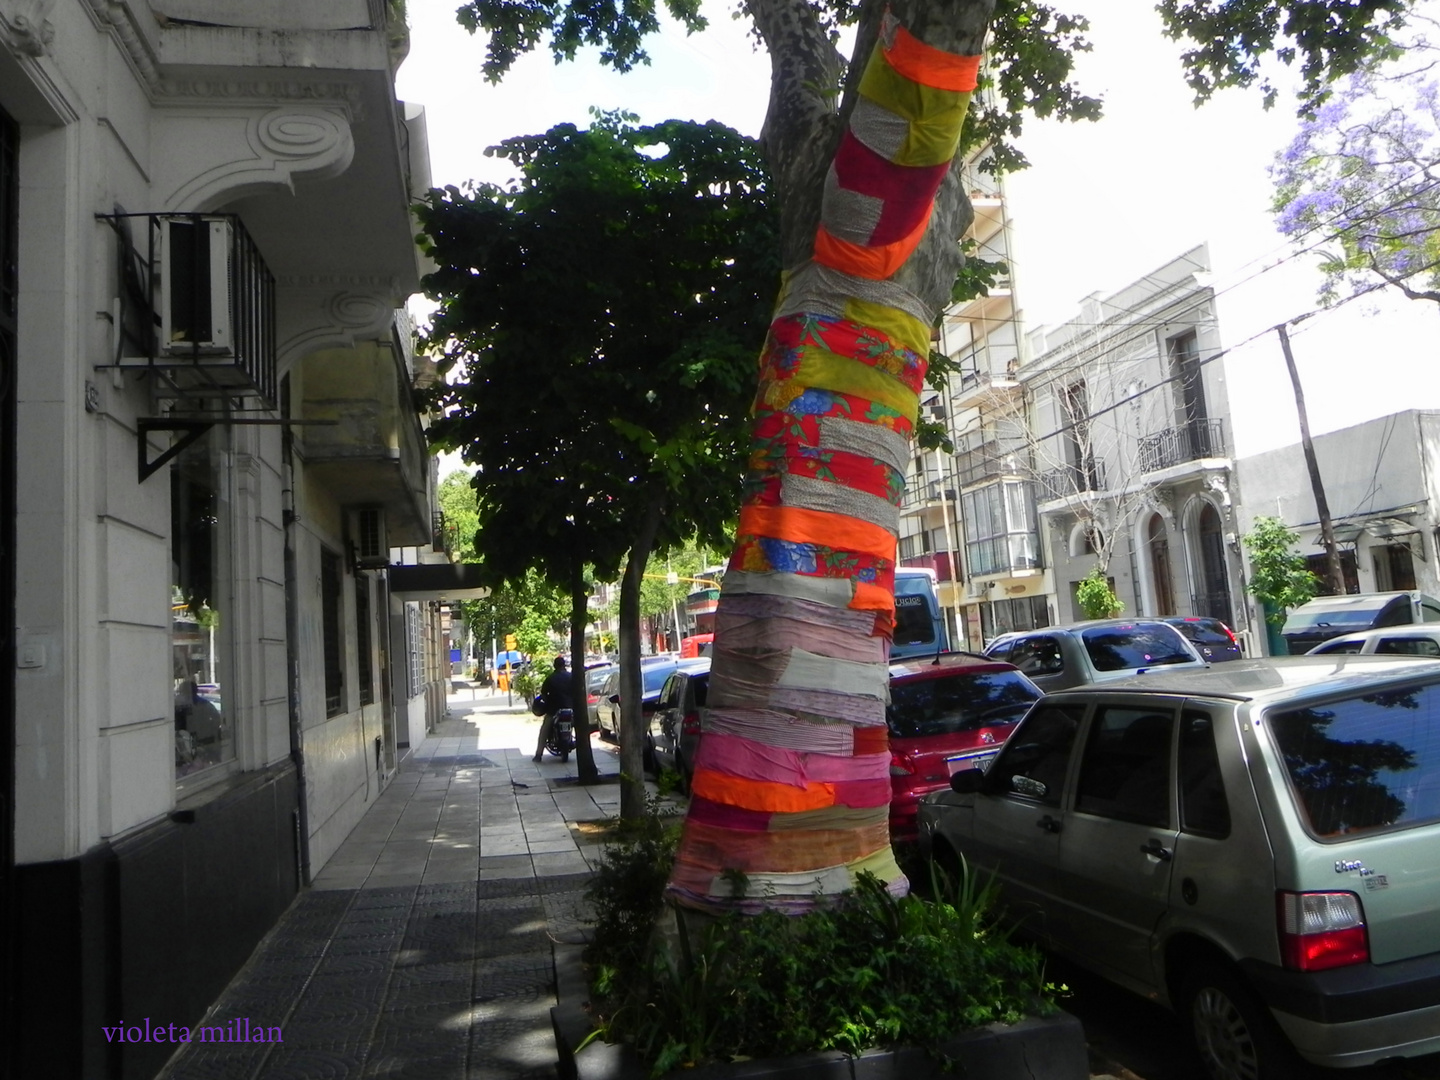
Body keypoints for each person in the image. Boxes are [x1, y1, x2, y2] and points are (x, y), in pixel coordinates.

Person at [533, 655, 574, 761]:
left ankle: (538, 755)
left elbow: (543, 695)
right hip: (571, 709)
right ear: (564, 665)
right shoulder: (571, 677)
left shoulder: (550, 678)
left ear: (555, 666)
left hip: (554, 710)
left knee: (544, 730)